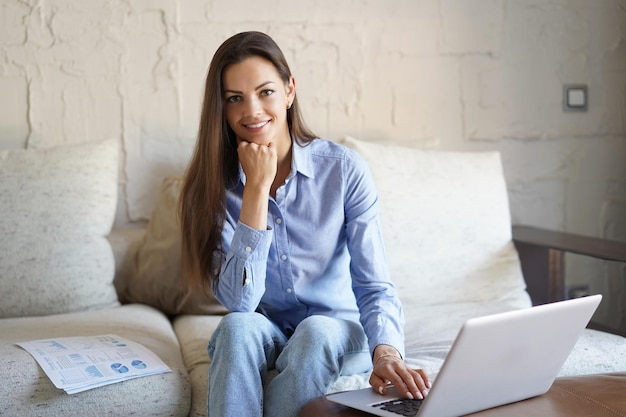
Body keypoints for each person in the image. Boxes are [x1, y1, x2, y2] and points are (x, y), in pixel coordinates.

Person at [179, 31, 431, 417]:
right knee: (235, 328)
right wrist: (256, 191)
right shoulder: (211, 187)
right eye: (234, 99)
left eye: (265, 92)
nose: (251, 111)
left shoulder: (344, 171)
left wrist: (386, 351)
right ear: (222, 110)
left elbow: (374, 284)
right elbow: (240, 303)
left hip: (337, 332)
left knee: (315, 331)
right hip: (269, 329)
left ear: (289, 91)